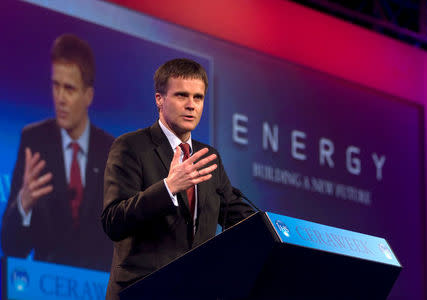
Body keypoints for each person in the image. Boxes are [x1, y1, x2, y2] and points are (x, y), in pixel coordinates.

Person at [102, 58, 254, 299]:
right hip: (142, 292)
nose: (191, 105)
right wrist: (168, 187)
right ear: (159, 99)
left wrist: (277, 231)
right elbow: (113, 221)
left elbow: (239, 217)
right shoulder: (131, 147)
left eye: (198, 97)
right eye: (182, 96)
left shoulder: (209, 157)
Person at [1, 34, 114, 271]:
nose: (60, 98)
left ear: (88, 96)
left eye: (69, 89)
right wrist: (24, 203)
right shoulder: (34, 142)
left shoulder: (111, 151)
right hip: (47, 288)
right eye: (56, 86)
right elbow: (12, 247)